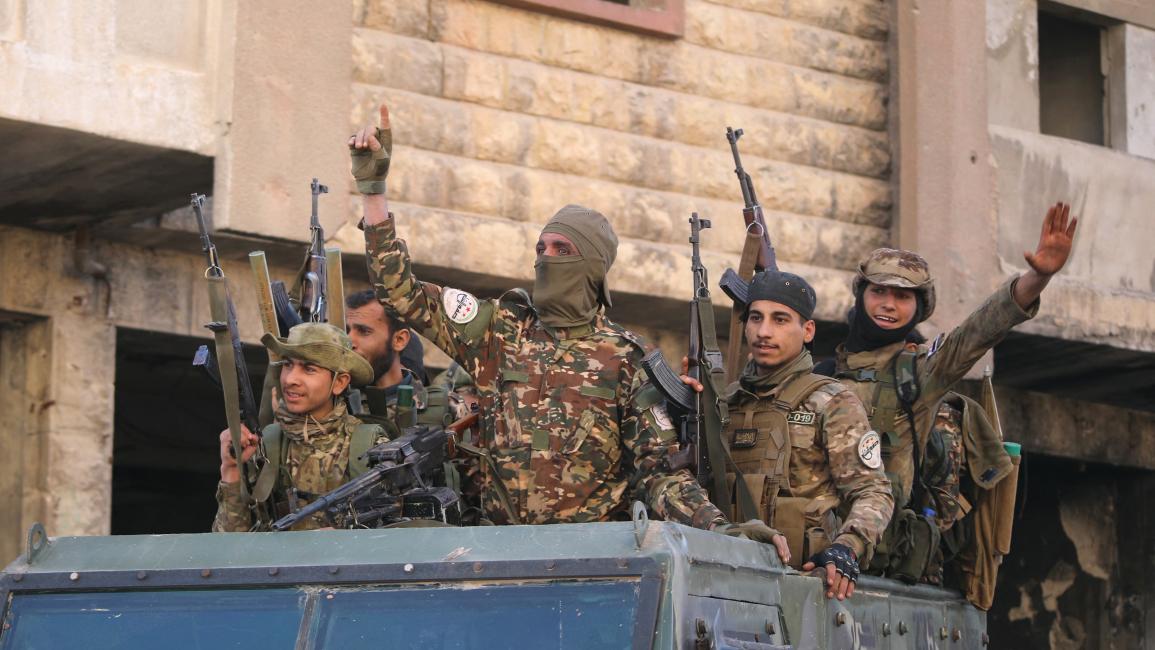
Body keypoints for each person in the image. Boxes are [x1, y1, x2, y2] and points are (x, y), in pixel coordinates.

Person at [348, 102, 741, 535]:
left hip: (587, 558)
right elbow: (400, 293)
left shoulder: (628, 359)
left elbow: (659, 474)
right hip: (499, 551)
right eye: (541, 248)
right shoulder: (498, 331)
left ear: (593, 267)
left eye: (562, 250)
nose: (546, 258)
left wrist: (722, 531)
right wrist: (373, 192)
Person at [821, 203, 1077, 576]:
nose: (888, 304)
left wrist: (1036, 279)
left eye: (903, 296)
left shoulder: (921, 374)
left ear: (919, 307)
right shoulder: (821, 376)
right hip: (819, 551)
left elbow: (978, 332)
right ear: (861, 295)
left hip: (881, 560)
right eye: (879, 291)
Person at [686, 270, 894, 600]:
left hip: (802, 586)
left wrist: (848, 547)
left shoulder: (832, 401)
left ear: (807, 330)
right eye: (756, 318)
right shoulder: (723, 403)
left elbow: (873, 492)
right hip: (723, 583)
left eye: (780, 319)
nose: (764, 332)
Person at [212, 322, 384, 532]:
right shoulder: (267, 445)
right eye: (288, 364)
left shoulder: (368, 446)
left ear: (339, 383)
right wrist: (230, 470)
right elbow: (230, 544)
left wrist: (346, 538)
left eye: (309, 369)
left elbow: (393, 539)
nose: (291, 379)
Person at [345, 289, 449, 431]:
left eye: (364, 331)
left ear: (399, 340)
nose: (348, 341)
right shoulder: (338, 404)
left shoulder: (444, 408)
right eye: (346, 330)